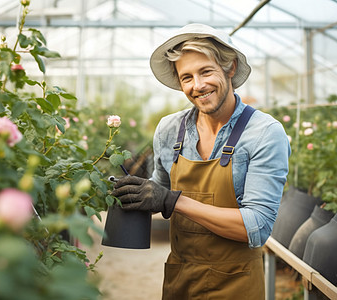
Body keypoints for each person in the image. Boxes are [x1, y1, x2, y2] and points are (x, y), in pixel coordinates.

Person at [111, 23, 290, 299]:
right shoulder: (169, 130)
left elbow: (256, 226)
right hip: (181, 281)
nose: (198, 86)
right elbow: (160, 190)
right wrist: (134, 194)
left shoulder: (264, 133)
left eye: (206, 71)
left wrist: (174, 200)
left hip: (237, 285)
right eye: (187, 77)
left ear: (229, 67)